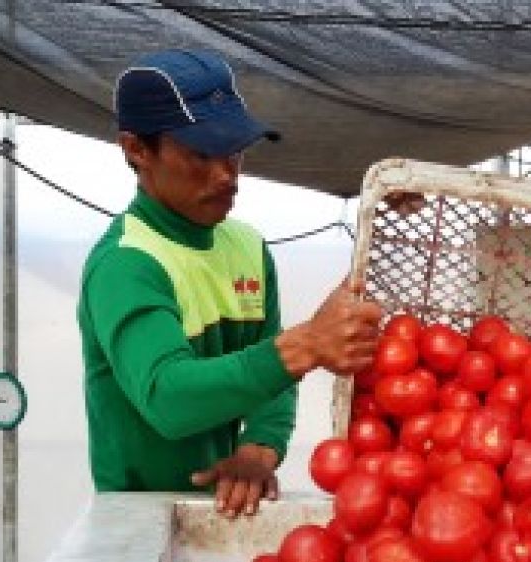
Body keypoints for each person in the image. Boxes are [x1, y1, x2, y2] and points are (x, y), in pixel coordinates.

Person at [78, 49, 382, 517]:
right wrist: (304, 347)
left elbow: (273, 378)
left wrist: (260, 447)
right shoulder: (126, 265)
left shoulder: (247, 248)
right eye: (201, 153)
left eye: (234, 151)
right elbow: (168, 397)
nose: (226, 175)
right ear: (136, 149)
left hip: (223, 516)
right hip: (136, 521)